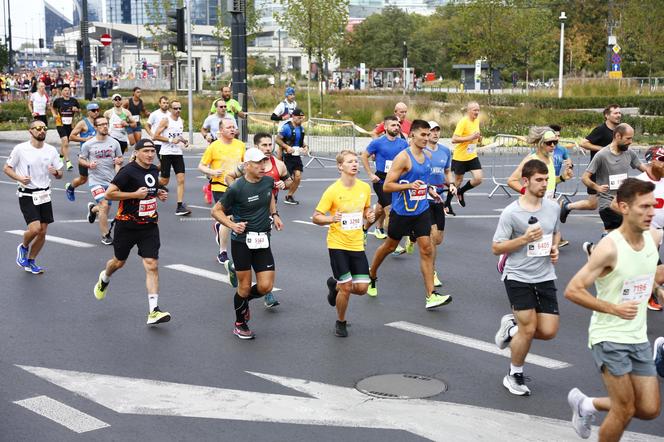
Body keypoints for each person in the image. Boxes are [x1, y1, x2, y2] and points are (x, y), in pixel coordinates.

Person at [564, 178, 662, 440]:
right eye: (643, 207)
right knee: (624, 409)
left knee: (650, 409)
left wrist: (656, 289)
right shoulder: (609, 247)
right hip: (609, 337)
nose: (651, 212)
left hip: (638, 336)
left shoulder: (654, 237)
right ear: (623, 207)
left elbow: (645, 274)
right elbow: (573, 289)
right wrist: (613, 309)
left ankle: (587, 405)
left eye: (653, 206)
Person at [493, 159, 561, 396]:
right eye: (539, 180)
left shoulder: (553, 207)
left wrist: (554, 248)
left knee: (549, 330)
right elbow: (496, 247)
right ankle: (514, 374)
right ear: (526, 181)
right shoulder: (512, 213)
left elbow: (555, 232)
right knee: (529, 328)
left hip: (544, 275)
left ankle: (510, 329)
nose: (544, 184)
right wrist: (524, 239)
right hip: (517, 275)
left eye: (546, 179)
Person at [367, 120, 452, 309]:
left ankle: (431, 296)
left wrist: (430, 190)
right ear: (412, 135)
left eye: (428, 134)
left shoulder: (427, 156)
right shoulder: (403, 158)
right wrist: (408, 186)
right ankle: (372, 274)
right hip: (402, 212)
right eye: (423, 134)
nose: (426, 138)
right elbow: (387, 185)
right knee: (389, 246)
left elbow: (422, 182)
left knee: (427, 249)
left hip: (421, 210)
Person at [93, 139, 171, 325]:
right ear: (136, 153)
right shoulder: (127, 171)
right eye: (146, 151)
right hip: (126, 226)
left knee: (152, 264)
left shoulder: (153, 169)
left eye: (153, 151)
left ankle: (154, 311)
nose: (150, 154)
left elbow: (150, 188)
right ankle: (104, 277)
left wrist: (158, 193)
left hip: (149, 225)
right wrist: (134, 195)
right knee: (118, 262)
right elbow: (110, 194)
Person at [211, 148, 284, 340]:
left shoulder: (268, 181)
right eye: (258, 163)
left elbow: (270, 198)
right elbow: (216, 211)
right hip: (242, 242)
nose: (263, 166)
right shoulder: (237, 188)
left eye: (264, 162)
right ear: (247, 166)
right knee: (243, 287)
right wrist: (232, 225)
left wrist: (275, 215)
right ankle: (239, 323)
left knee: (266, 286)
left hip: (262, 240)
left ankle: (243, 302)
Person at [224, 132, 291, 309]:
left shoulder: (278, 165)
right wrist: (240, 192)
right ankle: (257, 293)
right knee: (245, 281)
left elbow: (291, 181)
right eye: (264, 145)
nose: (268, 148)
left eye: (270, 145)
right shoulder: (245, 166)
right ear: (256, 148)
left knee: (262, 256)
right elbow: (228, 177)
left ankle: (264, 290)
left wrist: (285, 186)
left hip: (266, 213)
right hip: (245, 212)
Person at [313, 150, 375, 337]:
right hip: (337, 243)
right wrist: (331, 218)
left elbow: (366, 211)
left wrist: (369, 216)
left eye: (356, 161)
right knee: (348, 286)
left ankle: (335, 285)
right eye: (350, 162)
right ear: (340, 166)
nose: (355, 165)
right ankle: (341, 321)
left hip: (356, 243)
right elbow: (316, 217)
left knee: (362, 289)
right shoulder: (333, 190)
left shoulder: (364, 188)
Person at [3, 120, 64, 274]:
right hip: (27, 193)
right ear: (30, 131)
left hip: (44, 194)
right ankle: (23, 247)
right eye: (38, 128)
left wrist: (56, 172)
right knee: (35, 229)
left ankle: (31, 261)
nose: (41, 130)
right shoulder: (21, 149)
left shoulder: (51, 150)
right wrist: (19, 178)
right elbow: (7, 168)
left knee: (43, 232)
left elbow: (60, 174)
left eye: (44, 128)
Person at [580, 123, 647, 255]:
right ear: (617, 136)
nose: (631, 142)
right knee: (629, 235)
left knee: (615, 241)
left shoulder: (629, 153)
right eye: (628, 138)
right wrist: (597, 187)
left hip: (625, 202)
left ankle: (593, 249)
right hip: (608, 204)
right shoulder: (602, 155)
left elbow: (645, 169)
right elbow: (585, 178)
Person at [560, 105, 622, 223]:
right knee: (593, 204)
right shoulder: (601, 130)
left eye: (619, 113)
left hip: (612, 172)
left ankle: (613, 227)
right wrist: (602, 149)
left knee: (612, 201)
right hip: (597, 172)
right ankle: (568, 206)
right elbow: (583, 143)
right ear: (607, 115)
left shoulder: (619, 131)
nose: (618, 115)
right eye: (615, 113)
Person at [198, 119, 245, 263]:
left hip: (237, 186)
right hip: (220, 186)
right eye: (229, 127)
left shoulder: (241, 145)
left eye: (234, 127)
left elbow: (245, 164)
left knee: (238, 217)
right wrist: (212, 171)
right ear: (221, 130)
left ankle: (219, 224)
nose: (232, 130)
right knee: (229, 218)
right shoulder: (214, 146)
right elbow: (201, 165)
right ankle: (223, 252)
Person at [361, 115, 409, 239]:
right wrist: (370, 174)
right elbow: (364, 156)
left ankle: (364, 229)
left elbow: (408, 160)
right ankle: (393, 242)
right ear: (386, 127)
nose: (396, 127)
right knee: (390, 210)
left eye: (398, 125)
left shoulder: (403, 144)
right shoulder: (378, 142)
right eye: (393, 125)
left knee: (379, 210)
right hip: (381, 180)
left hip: (395, 180)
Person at [79, 115, 123, 245]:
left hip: (110, 181)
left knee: (104, 208)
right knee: (104, 205)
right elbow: (81, 159)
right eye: (102, 124)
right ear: (96, 127)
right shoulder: (88, 144)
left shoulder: (114, 142)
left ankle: (93, 209)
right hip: (95, 180)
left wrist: (119, 163)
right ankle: (106, 235)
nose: (105, 126)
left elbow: (119, 160)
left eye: (106, 124)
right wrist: (88, 165)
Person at [426, 121, 456, 287]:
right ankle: (432, 272)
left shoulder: (445, 151)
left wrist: (450, 184)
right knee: (432, 237)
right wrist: (428, 188)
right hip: (423, 197)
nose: (435, 133)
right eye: (432, 131)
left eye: (437, 130)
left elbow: (446, 172)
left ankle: (414, 235)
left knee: (438, 239)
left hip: (438, 198)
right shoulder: (421, 151)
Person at [636, 145, 664, 311]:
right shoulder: (639, 182)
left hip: (659, 232)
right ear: (652, 161)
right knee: (648, 266)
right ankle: (649, 296)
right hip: (644, 232)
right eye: (662, 160)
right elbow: (616, 205)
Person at [153, 100, 192, 216]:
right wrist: (170, 140)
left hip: (178, 153)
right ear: (170, 109)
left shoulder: (181, 121)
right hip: (166, 153)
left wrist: (183, 140)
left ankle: (179, 206)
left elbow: (177, 135)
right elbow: (155, 136)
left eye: (180, 108)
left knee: (181, 179)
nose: (178, 110)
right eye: (175, 108)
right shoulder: (166, 120)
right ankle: (149, 181)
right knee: (165, 181)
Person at [445, 101, 483, 210]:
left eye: (478, 110)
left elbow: (475, 136)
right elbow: (454, 139)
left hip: (472, 155)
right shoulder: (463, 122)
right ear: (468, 111)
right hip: (460, 157)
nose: (477, 112)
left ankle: (461, 191)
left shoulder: (476, 121)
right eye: (475, 110)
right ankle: (447, 203)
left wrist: (479, 138)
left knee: (478, 178)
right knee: (457, 182)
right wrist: (471, 137)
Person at [65, 103, 100, 201]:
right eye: (93, 111)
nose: (96, 112)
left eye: (98, 110)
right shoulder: (83, 123)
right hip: (86, 156)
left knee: (102, 178)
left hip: (99, 155)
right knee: (83, 179)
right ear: (88, 112)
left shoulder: (101, 122)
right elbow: (71, 136)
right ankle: (70, 188)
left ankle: (101, 202)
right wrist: (85, 139)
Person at [275, 108, 308, 205]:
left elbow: (300, 141)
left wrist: (305, 146)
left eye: (302, 118)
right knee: (284, 180)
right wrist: (286, 147)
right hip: (286, 156)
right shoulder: (286, 127)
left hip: (296, 156)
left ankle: (289, 196)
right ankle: (273, 195)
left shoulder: (301, 128)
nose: (301, 120)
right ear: (293, 117)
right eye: (299, 118)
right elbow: (277, 139)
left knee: (297, 177)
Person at [50, 84, 80, 170]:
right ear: (62, 92)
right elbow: (52, 107)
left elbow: (79, 110)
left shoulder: (74, 100)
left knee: (65, 144)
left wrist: (76, 109)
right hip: (60, 124)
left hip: (70, 125)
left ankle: (60, 157)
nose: (67, 92)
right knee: (65, 142)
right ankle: (68, 162)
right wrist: (54, 114)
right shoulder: (58, 100)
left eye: (68, 90)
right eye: (65, 90)